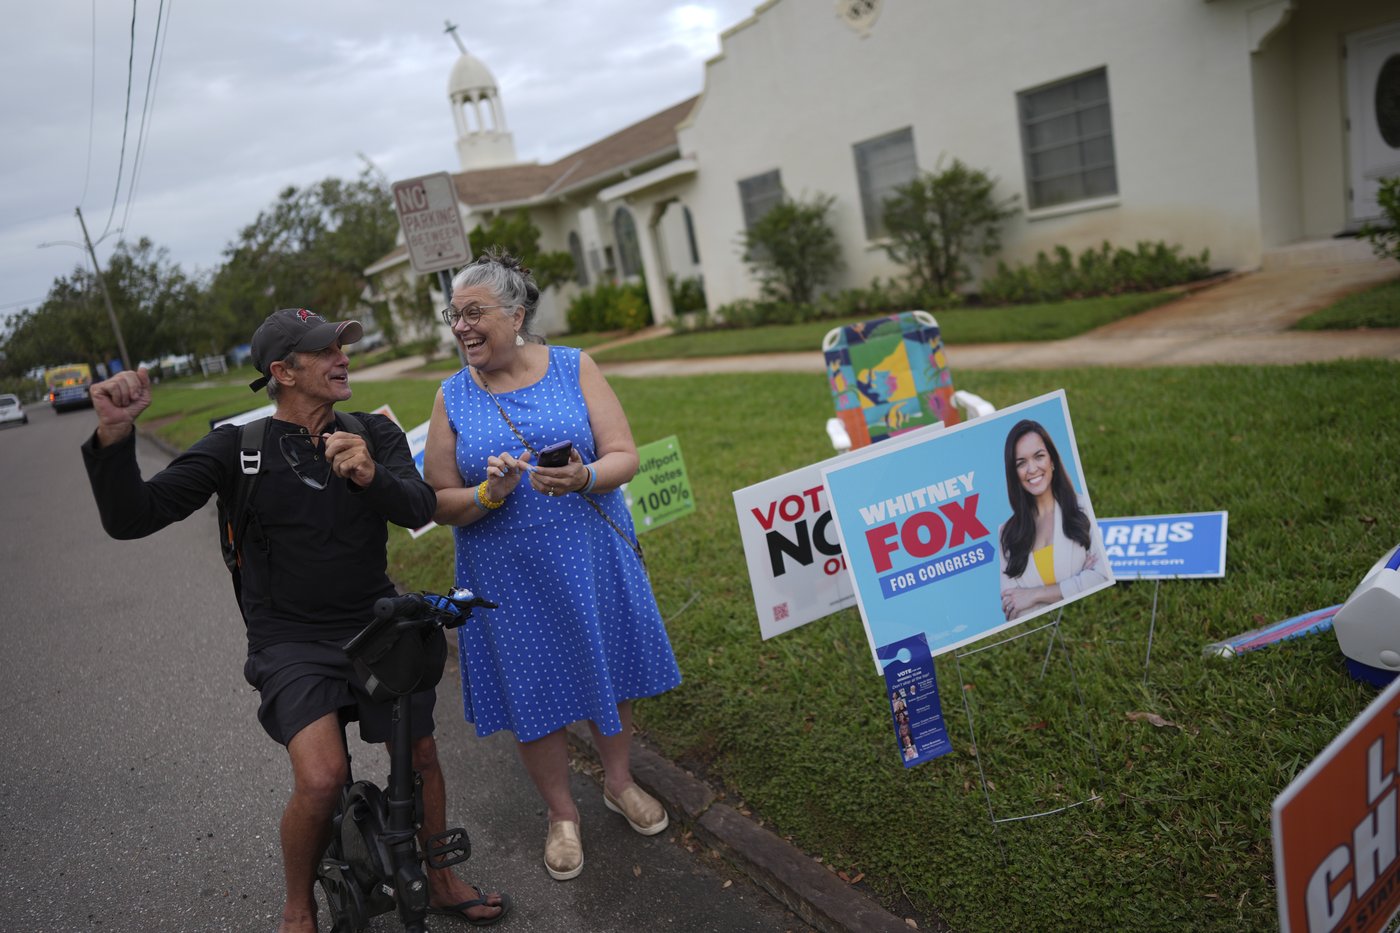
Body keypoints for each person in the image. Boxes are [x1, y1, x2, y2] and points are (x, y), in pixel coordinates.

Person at [81, 308, 509, 932]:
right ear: (283, 371)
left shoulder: (370, 431)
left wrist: (368, 474)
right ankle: (298, 907)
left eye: (343, 346)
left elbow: (420, 505)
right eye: (326, 351)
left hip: (375, 623)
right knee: (322, 778)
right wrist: (115, 436)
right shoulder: (237, 446)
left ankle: (439, 878)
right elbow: (133, 517)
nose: (343, 358)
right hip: (291, 641)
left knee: (419, 752)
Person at [423, 250, 682, 882]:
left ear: (515, 315)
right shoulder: (451, 394)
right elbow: (437, 500)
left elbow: (625, 453)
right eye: (454, 316)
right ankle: (560, 814)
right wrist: (490, 493)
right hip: (504, 573)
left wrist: (585, 474)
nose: (461, 327)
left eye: (473, 313)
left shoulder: (574, 366)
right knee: (532, 684)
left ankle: (619, 783)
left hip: (590, 558)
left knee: (608, 666)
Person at [997, 418, 1110, 622]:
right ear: (1013, 473)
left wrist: (1034, 595)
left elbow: (1102, 576)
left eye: (1039, 456)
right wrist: (1078, 581)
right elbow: (1013, 610)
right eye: (1021, 463)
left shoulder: (1082, 508)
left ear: (1052, 460)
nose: (1031, 469)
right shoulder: (1007, 532)